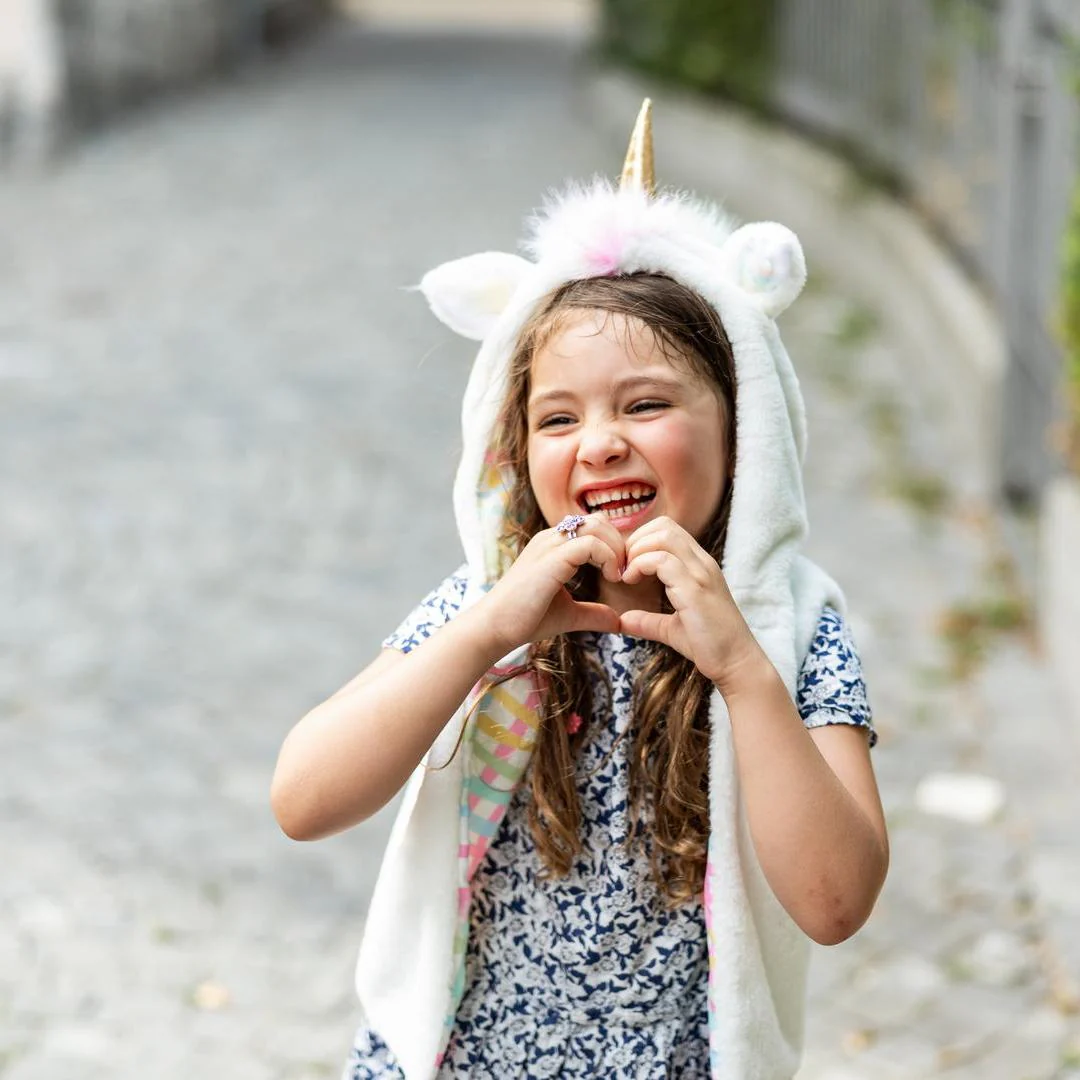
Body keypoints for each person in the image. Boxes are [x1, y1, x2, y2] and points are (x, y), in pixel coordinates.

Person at [271, 101, 888, 1080]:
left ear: (744, 431)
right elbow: (303, 800)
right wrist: (484, 635)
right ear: (515, 449)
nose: (599, 442)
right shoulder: (491, 603)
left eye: (645, 404)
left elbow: (835, 901)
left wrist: (742, 670)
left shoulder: (794, 629)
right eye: (558, 419)